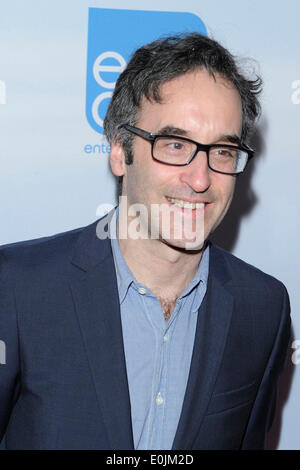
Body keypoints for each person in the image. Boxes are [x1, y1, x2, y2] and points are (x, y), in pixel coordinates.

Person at [0, 33, 290, 450]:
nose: (201, 179)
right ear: (119, 150)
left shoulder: (263, 307)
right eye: (175, 145)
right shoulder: (18, 288)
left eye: (223, 151)